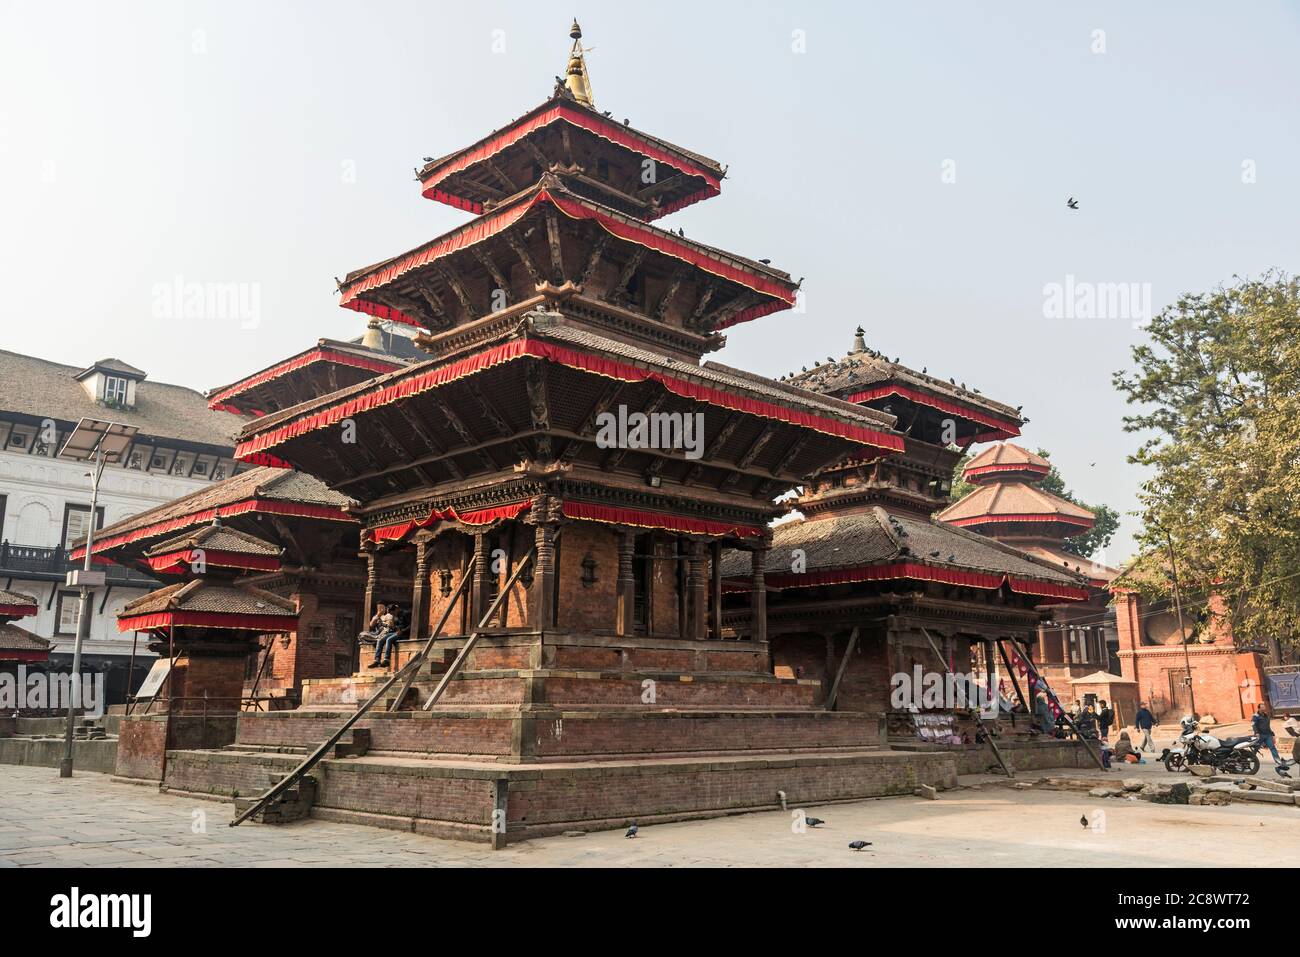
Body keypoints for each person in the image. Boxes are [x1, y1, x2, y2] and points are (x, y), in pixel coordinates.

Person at [369, 601, 410, 669]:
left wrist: (402, 631)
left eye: (393, 613)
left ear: (396, 609)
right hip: (396, 632)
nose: (393, 615)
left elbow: (411, 626)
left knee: (389, 639)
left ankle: (386, 660)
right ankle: (377, 660)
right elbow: (395, 627)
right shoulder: (395, 616)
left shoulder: (406, 614)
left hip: (404, 633)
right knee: (380, 640)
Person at [1251, 704, 1289, 768]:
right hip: (1260, 735)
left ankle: (1278, 762)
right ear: (1259, 708)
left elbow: (1267, 726)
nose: (1264, 708)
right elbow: (1253, 725)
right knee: (1256, 748)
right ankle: (1250, 758)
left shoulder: (1266, 716)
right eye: (1262, 707)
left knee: (1272, 748)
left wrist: (1272, 734)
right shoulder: (1255, 716)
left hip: (1268, 735)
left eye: (1264, 706)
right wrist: (1256, 733)